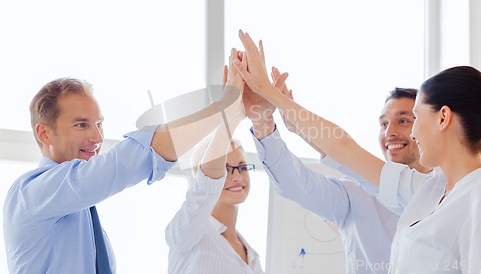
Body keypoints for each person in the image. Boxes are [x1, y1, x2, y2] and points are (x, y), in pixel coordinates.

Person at [235, 30, 481, 274]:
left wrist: (270, 93)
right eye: (383, 124)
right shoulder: (430, 191)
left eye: (414, 118)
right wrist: (276, 105)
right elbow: (344, 148)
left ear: (443, 117)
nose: (413, 132)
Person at [3, 60, 244, 274]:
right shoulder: (33, 193)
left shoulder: (78, 206)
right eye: (81, 125)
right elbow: (131, 159)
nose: (97, 137)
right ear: (44, 133)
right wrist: (223, 108)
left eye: (99, 124)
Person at [243, 62, 428, 272]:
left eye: (403, 121)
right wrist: (262, 120)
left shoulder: (445, 191)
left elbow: (343, 148)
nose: (389, 133)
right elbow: (293, 183)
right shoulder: (354, 195)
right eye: (383, 124)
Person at [165, 59, 265, 274]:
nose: (237, 176)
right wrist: (229, 116)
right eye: (226, 169)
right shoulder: (189, 233)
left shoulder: (252, 255)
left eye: (242, 167)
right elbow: (206, 185)